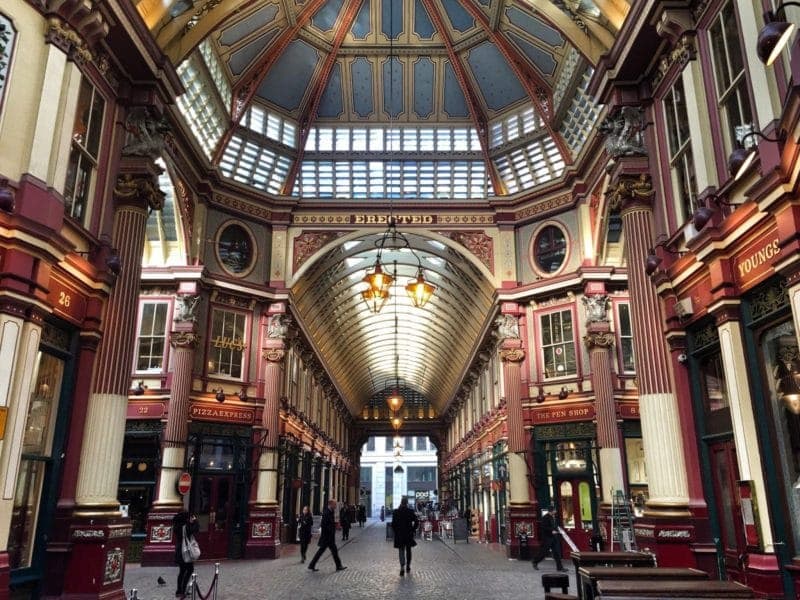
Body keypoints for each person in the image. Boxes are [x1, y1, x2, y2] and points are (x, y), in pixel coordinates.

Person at [308, 498, 347, 572]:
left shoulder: (331, 511)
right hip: (327, 537)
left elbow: (330, 523)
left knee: (326, 551)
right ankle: (338, 566)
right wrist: (332, 529)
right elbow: (324, 524)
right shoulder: (326, 512)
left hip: (329, 537)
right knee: (330, 551)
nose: (336, 505)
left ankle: (312, 565)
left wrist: (335, 527)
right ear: (330, 504)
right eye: (335, 504)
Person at [172, 511, 199, 599]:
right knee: (189, 569)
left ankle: (179, 590)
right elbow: (195, 530)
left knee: (182, 571)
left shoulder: (177, 526)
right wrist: (195, 521)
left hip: (180, 551)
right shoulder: (185, 527)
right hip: (186, 551)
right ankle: (182, 590)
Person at [532, 506, 566, 572]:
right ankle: (535, 561)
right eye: (555, 510)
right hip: (547, 538)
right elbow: (544, 527)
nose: (555, 511)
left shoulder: (554, 517)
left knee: (557, 553)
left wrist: (558, 530)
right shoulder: (545, 518)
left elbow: (555, 526)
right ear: (551, 511)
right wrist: (551, 531)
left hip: (554, 538)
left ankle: (560, 567)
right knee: (544, 552)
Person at [391, 496, 419, 576]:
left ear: (401, 502)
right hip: (408, 534)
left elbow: (393, 524)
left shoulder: (396, 512)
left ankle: (402, 567)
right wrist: (413, 529)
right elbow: (416, 521)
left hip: (400, 534)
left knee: (401, 551)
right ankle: (408, 566)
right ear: (406, 503)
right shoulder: (410, 511)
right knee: (408, 550)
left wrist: (396, 531)